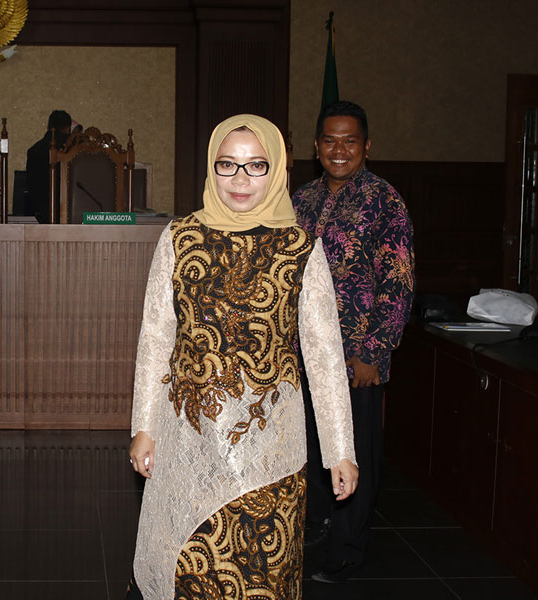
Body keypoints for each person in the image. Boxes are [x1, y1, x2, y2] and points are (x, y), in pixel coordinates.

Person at [127, 114, 358, 600]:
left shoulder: (301, 247)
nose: (240, 179)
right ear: (212, 168)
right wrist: (143, 427)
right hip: (189, 443)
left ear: (277, 171)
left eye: (256, 166)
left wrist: (340, 450)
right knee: (188, 571)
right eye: (227, 164)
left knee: (260, 577)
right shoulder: (179, 238)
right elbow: (156, 340)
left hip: (270, 450)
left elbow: (325, 357)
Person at [292, 100, 415, 583]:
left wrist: (374, 351)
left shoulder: (385, 201)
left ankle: (348, 549)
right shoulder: (300, 200)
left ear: (366, 146)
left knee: (354, 451)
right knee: (311, 447)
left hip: (355, 356)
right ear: (316, 146)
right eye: (330, 140)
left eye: (349, 141)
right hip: (303, 353)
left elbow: (398, 281)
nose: (338, 150)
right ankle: (320, 524)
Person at [24, 110, 72, 224]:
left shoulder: (33, 150)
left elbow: (31, 187)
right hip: (66, 212)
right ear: (67, 128)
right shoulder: (71, 150)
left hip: (40, 213)